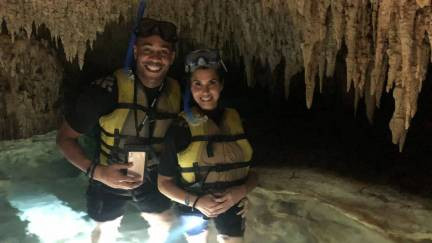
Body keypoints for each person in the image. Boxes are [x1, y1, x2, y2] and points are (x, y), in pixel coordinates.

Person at [56, 17, 180, 243]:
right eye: (147, 49)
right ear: (135, 51)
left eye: (163, 51)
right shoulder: (105, 91)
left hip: (153, 175)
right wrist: (98, 172)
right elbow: (65, 138)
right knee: (106, 232)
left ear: (172, 57)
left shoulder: (177, 92)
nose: (155, 57)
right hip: (107, 175)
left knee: (165, 223)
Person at [158, 49, 258, 243]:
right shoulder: (181, 127)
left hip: (231, 200)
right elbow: (163, 184)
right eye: (198, 84)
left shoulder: (239, 120)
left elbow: (253, 173)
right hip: (192, 201)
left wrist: (241, 191)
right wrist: (196, 201)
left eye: (211, 83)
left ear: (220, 85)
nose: (205, 91)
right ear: (190, 88)